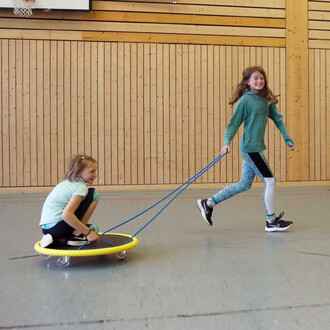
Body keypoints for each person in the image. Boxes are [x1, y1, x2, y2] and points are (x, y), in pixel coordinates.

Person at [197, 66, 294, 232]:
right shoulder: (245, 101)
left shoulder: (266, 100)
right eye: (255, 78)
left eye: (261, 78)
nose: (259, 81)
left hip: (255, 148)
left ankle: (208, 203)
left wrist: (287, 139)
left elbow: (278, 120)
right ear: (248, 82)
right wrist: (226, 142)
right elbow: (233, 124)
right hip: (250, 149)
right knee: (270, 181)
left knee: (244, 184)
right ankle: (270, 221)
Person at [39, 154, 100, 247]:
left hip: (46, 230)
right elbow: (66, 215)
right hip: (59, 228)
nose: (95, 175)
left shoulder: (66, 183)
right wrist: (88, 233)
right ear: (79, 172)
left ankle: (55, 239)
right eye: (92, 171)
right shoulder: (80, 187)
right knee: (94, 194)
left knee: (93, 227)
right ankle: (77, 236)